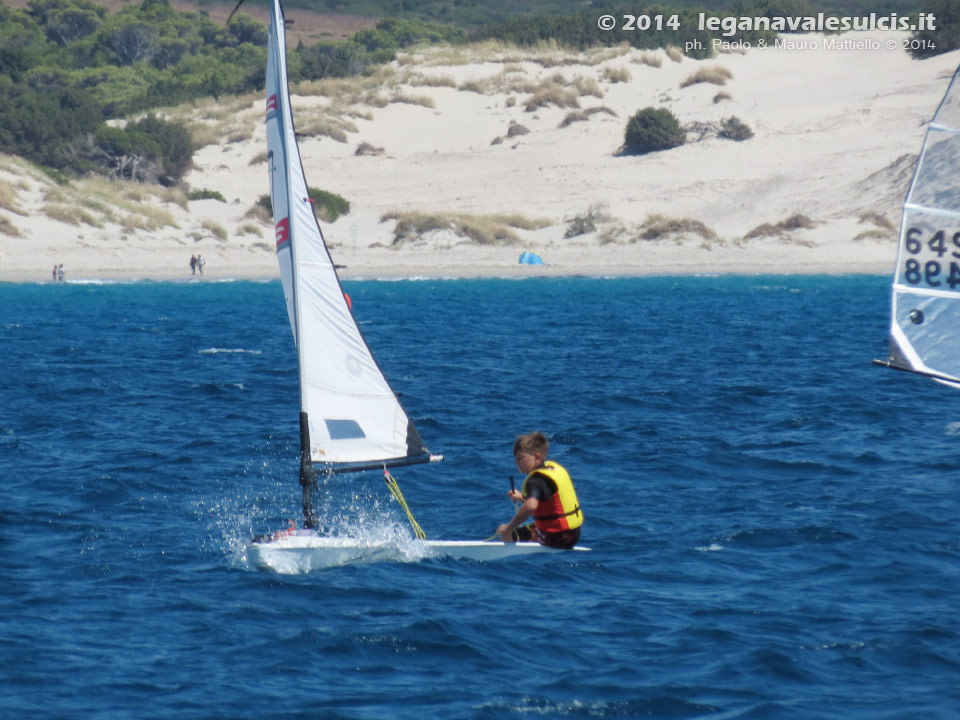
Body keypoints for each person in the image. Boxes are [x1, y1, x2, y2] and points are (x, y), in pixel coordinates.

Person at [496, 431, 583, 549]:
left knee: (506, 534)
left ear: (537, 457)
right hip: (573, 533)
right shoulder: (552, 470)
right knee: (527, 527)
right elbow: (547, 500)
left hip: (557, 537)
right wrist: (521, 497)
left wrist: (508, 528)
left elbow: (531, 506)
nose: (517, 463)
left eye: (520, 458)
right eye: (515, 459)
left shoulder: (535, 481)